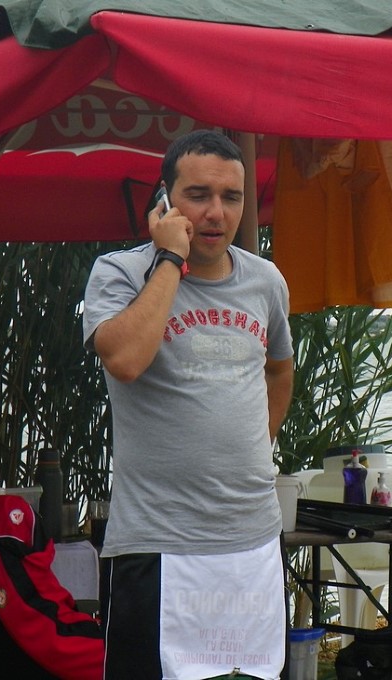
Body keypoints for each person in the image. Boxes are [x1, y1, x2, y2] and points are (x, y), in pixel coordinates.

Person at [82, 130, 294, 680]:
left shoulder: (265, 281)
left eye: (232, 197)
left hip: (251, 541)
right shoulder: (120, 273)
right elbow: (124, 359)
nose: (216, 213)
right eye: (198, 195)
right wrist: (171, 258)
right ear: (166, 198)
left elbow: (279, 370)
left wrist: (254, 447)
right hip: (158, 542)